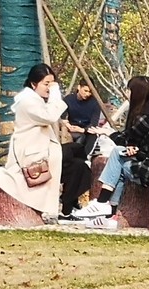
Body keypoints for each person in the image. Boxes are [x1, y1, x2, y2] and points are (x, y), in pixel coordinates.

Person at [70, 75, 149, 228]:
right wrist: (134, 149)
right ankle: (108, 214)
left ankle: (104, 206)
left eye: (129, 90)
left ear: (137, 93)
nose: (127, 94)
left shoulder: (144, 118)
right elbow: (143, 145)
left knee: (118, 156)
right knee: (119, 154)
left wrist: (108, 133)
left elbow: (128, 141)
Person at [0, 63, 67, 224]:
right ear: (34, 84)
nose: (50, 88)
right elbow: (50, 116)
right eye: (46, 84)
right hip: (31, 150)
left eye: (52, 83)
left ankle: (49, 211)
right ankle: (46, 212)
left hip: (38, 149)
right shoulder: (27, 102)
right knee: (34, 182)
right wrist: (55, 93)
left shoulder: (35, 99)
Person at [59, 79, 109, 218]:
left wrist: (82, 130)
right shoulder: (69, 99)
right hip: (70, 131)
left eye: (90, 92)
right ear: (79, 88)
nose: (87, 94)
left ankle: (85, 158)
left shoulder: (94, 103)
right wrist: (68, 126)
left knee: (83, 155)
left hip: (86, 132)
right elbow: (61, 116)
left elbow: (93, 125)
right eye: (85, 90)